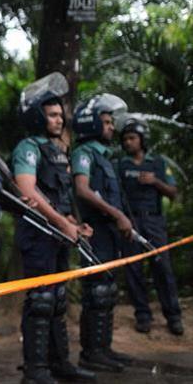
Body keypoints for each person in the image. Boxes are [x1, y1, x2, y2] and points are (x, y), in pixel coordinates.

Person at [12, 73, 95, 384]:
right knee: (41, 301)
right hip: (38, 236)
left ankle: (60, 364)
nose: (60, 120)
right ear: (37, 116)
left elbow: (60, 198)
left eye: (61, 115)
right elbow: (28, 190)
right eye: (52, 115)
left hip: (58, 236)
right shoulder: (28, 147)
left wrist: (73, 223)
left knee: (58, 300)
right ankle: (35, 371)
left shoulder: (57, 151)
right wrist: (61, 222)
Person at [71, 94, 134, 372]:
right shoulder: (84, 153)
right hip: (94, 231)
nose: (111, 127)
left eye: (110, 122)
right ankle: (91, 353)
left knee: (108, 291)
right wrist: (117, 215)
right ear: (92, 123)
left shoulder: (106, 157)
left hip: (109, 233)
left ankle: (104, 348)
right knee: (96, 292)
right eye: (106, 122)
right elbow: (82, 190)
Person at [116, 116, 183, 336]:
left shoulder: (158, 163)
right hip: (131, 222)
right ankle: (143, 316)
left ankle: (173, 316)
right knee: (133, 269)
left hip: (154, 221)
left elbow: (173, 193)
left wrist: (155, 182)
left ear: (142, 139)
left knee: (163, 268)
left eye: (132, 138)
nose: (128, 142)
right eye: (125, 139)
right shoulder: (121, 165)